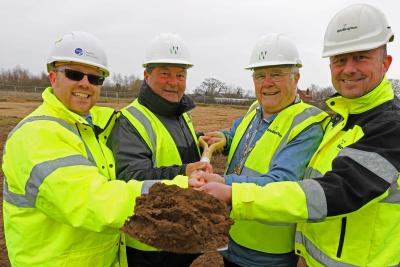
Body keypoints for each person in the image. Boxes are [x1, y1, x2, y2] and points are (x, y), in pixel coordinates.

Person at [191, 4, 400, 267]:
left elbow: (330, 192)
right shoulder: (339, 119)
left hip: (271, 249)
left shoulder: (384, 126)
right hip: (244, 237)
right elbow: (242, 133)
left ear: (386, 63)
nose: (348, 69)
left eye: (360, 57)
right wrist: (225, 137)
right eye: (339, 60)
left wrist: (230, 189)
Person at [2, 31, 188, 267]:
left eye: (95, 78)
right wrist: (183, 189)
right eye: (74, 74)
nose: (85, 83)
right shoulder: (36, 135)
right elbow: (95, 201)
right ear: (52, 77)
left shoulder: (95, 126)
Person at [195, 34, 329, 267]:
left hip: (267, 252)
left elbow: (282, 182)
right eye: (260, 76)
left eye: (276, 75)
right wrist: (224, 138)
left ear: (296, 77)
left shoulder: (308, 125)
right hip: (232, 235)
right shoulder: (256, 108)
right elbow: (238, 131)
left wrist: (224, 182)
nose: (267, 83)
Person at [108, 33, 210, 267]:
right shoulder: (130, 120)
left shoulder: (180, 113)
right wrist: (185, 172)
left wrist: (199, 141)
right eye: (164, 73)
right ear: (146, 75)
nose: (173, 82)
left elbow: (172, 148)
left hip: (180, 232)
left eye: (180, 75)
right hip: (148, 243)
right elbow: (130, 177)